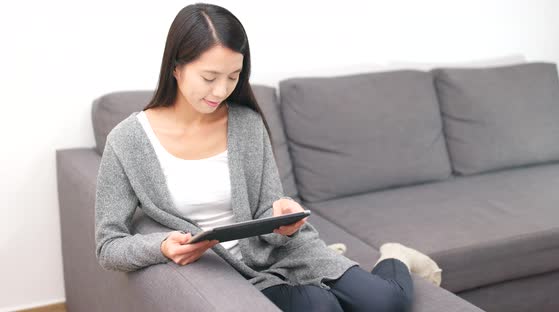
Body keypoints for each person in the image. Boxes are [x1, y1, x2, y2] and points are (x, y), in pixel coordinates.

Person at [95, 3, 441, 311]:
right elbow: (109, 246)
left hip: (281, 251)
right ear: (176, 67)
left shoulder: (246, 123)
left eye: (233, 76)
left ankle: (396, 255)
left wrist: (283, 219)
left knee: (386, 301)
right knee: (321, 306)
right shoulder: (127, 141)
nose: (221, 91)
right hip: (227, 269)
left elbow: (267, 207)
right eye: (209, 77)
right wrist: (162, 247)